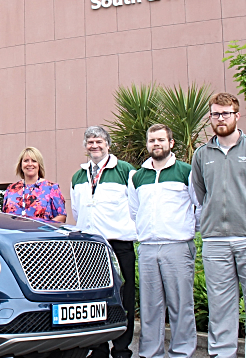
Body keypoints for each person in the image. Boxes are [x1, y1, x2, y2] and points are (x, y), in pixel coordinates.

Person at [128, 124, 197, 358]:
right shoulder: (138, 177)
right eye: (152, 140)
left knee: (181, 305)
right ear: (147, 144)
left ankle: (182, 352)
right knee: (149, 308)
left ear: (171, 143)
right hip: (148, 248)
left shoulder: (186, 171)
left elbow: (197, 206)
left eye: (160, 140)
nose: (156, 144)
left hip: (177, 246)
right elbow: (134, 212)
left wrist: (184, 231)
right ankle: (150, 353)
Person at [70, 126, 136, 358]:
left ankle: (121, 348)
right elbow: (77, 211)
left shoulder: (125, 170)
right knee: (94, 299)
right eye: (90, 142)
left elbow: (135, 205)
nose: (94, 146)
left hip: (119, 244)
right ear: (85, 147)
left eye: (99, 141)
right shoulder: (78, 176)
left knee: (123, 297)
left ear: (108, 144)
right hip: (90, 246)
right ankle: (98, 348)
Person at [191, 92, 246, 358]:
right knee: (221, 303)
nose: (220, 118)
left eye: (225, 113)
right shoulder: (202, 154)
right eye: (215, 114)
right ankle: (223, 353)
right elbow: (201, 194)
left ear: (237, 115)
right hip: (215, 241)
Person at [1, 146, 66, 222]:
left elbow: (61, 217)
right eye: (26, 161)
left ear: (39, 164)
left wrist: (43, 230)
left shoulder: (51, 188)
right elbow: (4, 217)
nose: (30, 164)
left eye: (34, 161)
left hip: (40, 233)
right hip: (14, 233)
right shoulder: (11, 189)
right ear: (21, 164)